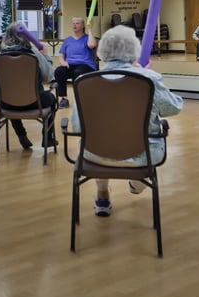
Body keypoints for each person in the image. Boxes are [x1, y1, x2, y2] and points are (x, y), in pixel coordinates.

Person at [70, 26, 183, 214]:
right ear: (134, 50)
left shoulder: (85, 81)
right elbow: (173, 108)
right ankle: (137, 183)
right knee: (145, 148)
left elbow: (76, 126)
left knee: (101, 138)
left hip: (94, 153)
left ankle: (102, 195)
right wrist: (145, 75)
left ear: (102, 52)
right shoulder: (148, 79)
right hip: (143, 154)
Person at [0, 20, 57, 150]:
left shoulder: (0, 56)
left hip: (6, 104)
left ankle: (21, 134)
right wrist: (46, 56)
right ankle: (47, 137)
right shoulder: (34, 54)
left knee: (10, 96)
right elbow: (48, 77)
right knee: (52, 99)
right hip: (35, 102)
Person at [54, 17, 97, 108]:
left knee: (77, 72)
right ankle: (64, 99)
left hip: (85, 65)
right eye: (73, 23)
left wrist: (89, 29)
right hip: (70, 65)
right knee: (59, 71)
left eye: (77, 23)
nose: (74, 25)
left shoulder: (87, 38)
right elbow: (61, 56)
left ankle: (80, 99)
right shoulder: (67, 40)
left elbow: (92, 45)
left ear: (83, 25)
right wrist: (63, 62)